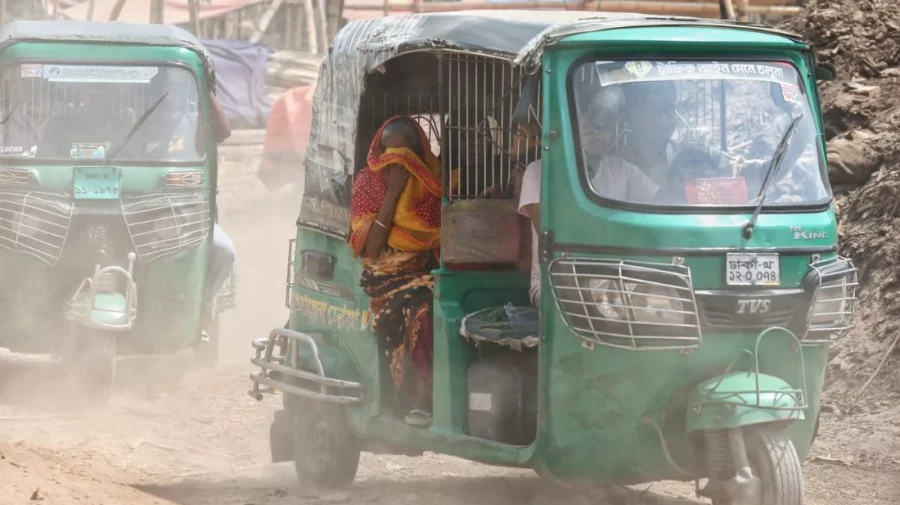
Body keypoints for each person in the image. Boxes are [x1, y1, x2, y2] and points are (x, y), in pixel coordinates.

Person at [516, 86, 658, 308]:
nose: (596, 128)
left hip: (619, 283)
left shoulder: (623, 170)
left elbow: (662, 202)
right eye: (589, 119)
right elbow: (554, 232)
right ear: (569, 124)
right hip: (557, 284)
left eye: (605, 123)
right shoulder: (538, 173)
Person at [349, 116, 442, 427]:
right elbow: (372, 247)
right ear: (379, 151)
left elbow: (438, 234)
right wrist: (393, 193)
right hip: (384, 280)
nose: (399, 160)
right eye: (391, 152)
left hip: (425, 271)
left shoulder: (431, 183)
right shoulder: (368, 182)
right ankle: (418, 398)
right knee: (421, 311)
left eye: (407, 152)